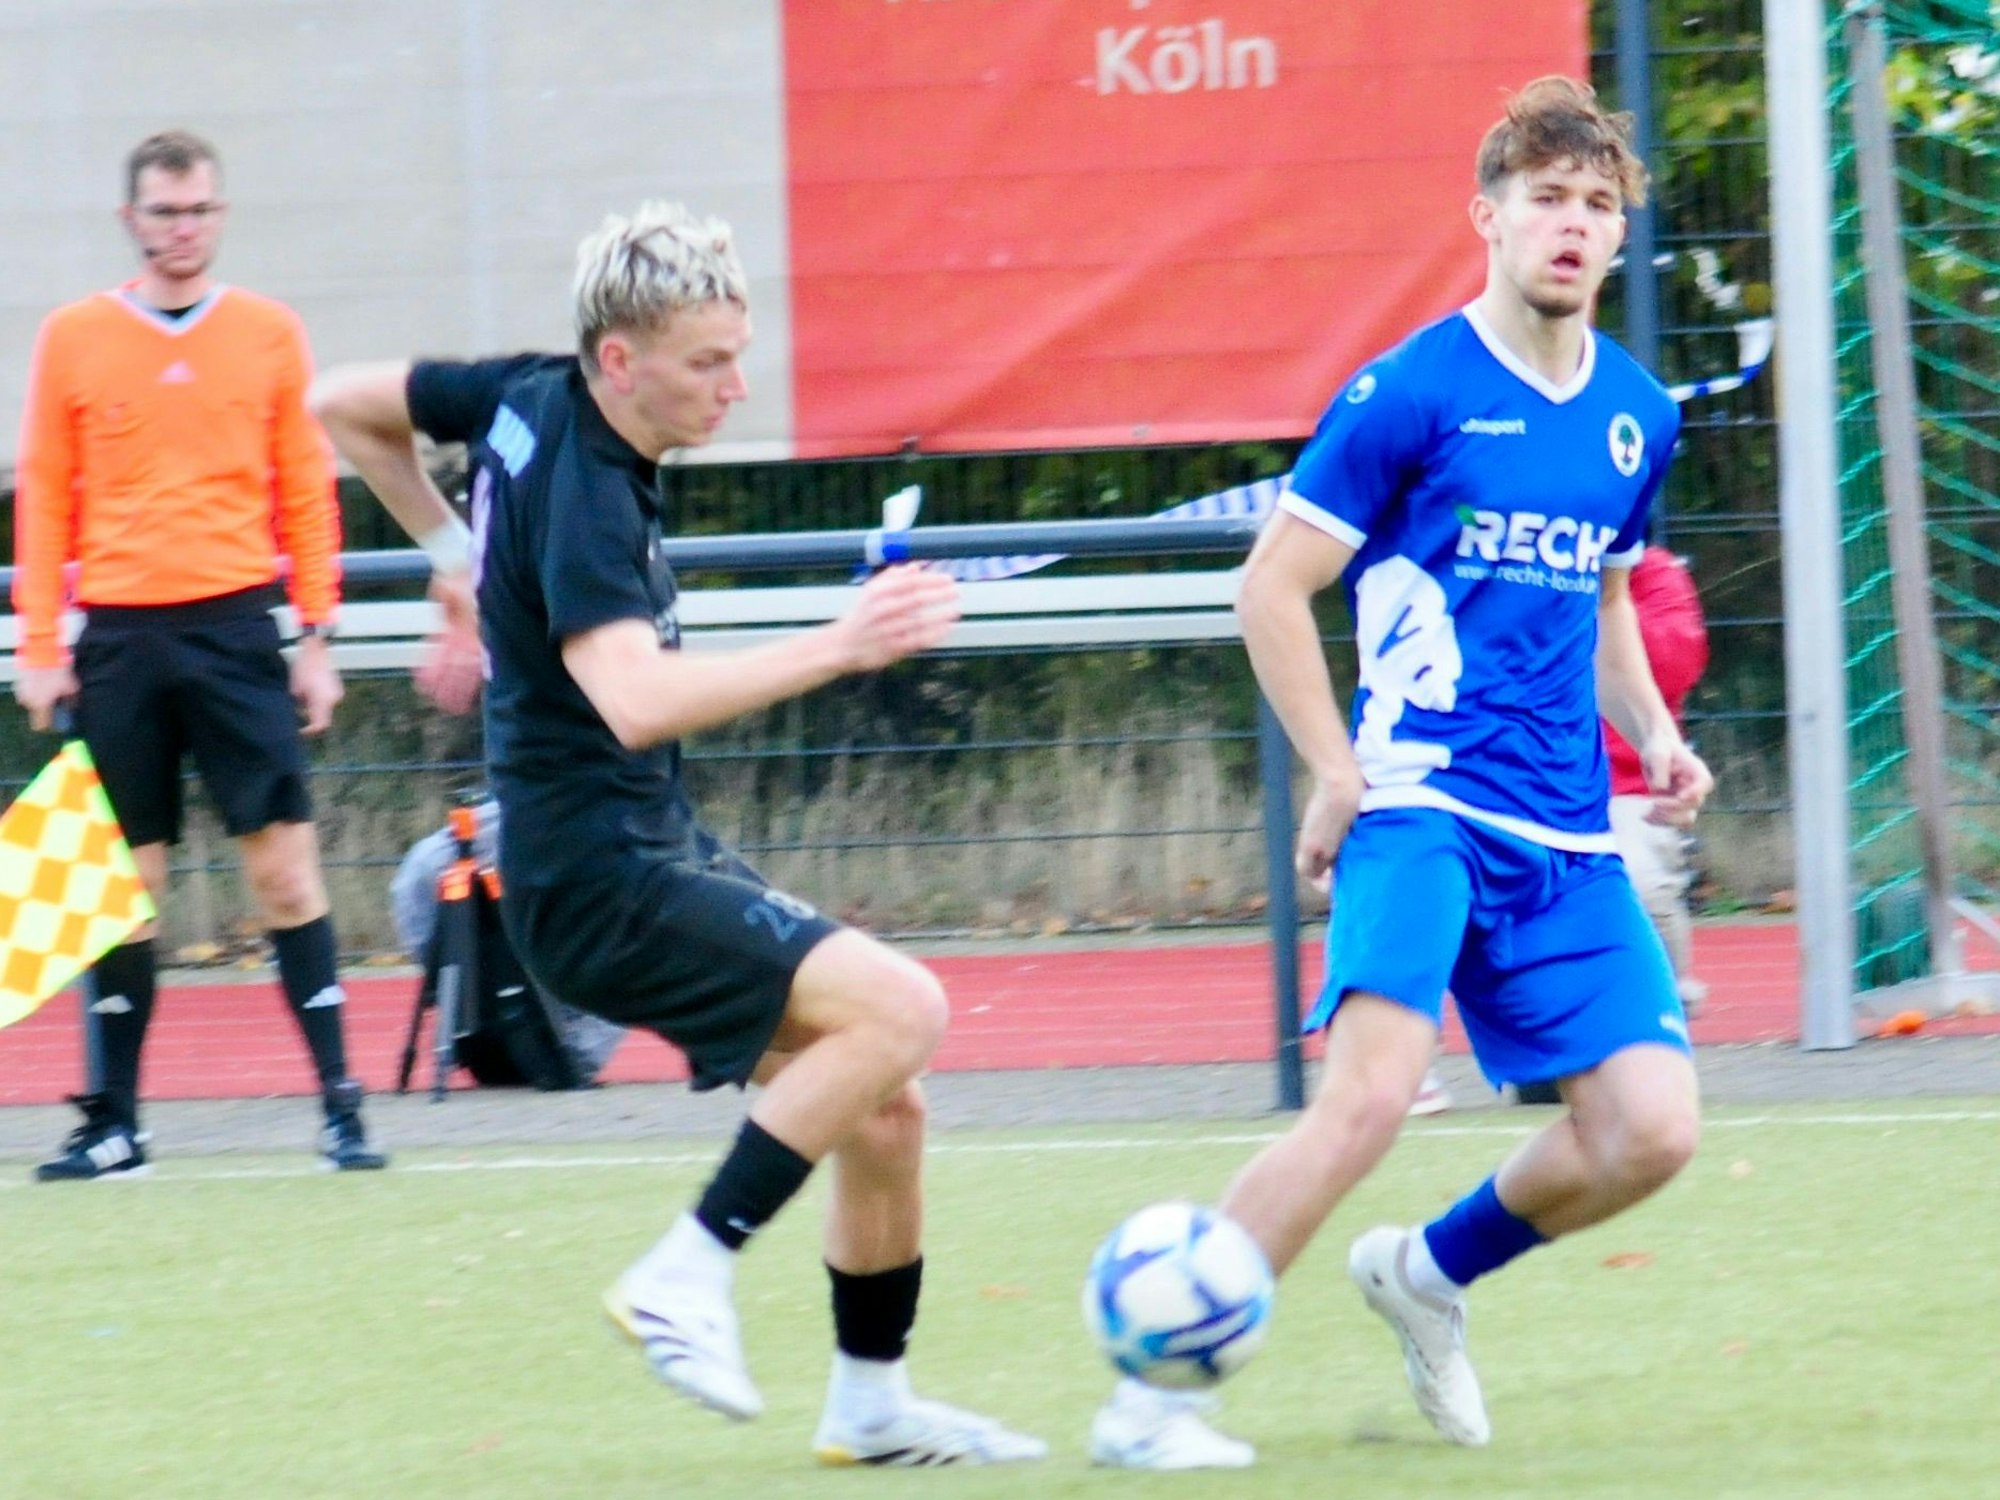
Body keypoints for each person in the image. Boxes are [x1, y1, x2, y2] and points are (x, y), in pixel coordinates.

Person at [308, 201, 1046, 1467]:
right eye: (707, 362)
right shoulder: (590, 493)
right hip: (600, 880)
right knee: (904, 1009)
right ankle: (686, 1271)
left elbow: (342, 404)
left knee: (884, 1105)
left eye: (734, 355)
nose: (733, 387)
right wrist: (841, 642)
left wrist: (455, 560)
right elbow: (635, 702)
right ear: (619, 360)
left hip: (623, 852)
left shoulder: (518, 391)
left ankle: (871, 1406)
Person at [1089, 77, 1714, 1468]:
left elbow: (1605, 597)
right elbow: (1269, 587)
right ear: (1486, 217)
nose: (1571, 224)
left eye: (1595, 204)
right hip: (1419, 805)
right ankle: (1153, 1403)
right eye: (1545, 198)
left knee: (1651, 1131)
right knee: (1369, 1099)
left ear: (1619, 239)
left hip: (1564, 835)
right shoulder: (1410, 392)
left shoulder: (1635, 413)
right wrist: (1331, 769)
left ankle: (1426, 1275)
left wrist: (1656, 733)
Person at [12, 129, 386, 1179]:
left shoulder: (268, 333)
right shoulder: (74, 336)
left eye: (200, 210)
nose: (184, 229)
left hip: (235, 630)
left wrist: (316, 638)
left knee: (283, 874)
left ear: (220, 216)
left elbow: (304, 491)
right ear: (131, 219)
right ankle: (116, 1123)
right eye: (166, 211)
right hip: (120, 638)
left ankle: (342, 1109)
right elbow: (45, 499)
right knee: (119, 888)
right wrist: (40, 645)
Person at [1605, 544, 1711, 1016]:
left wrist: (1605, 602)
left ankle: (1662, 999)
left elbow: (1675, 666)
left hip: (1628, 785)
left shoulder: (1656, 574)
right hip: (1527, 779)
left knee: (1640, 884)